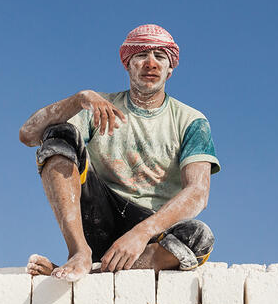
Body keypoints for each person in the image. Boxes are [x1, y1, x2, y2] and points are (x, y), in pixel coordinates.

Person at [19, 24, 220, 281]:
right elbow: (28, 135)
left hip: (150, 235)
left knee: (199, 238)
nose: (151, 64)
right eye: (141, 56)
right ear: (127, 64)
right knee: (59, 135)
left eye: (160, 57)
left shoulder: (191, 121)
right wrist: (80, 99)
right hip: (98, 216)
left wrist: (141, 233)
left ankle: (95, 272)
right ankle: (78, 253)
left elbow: (198, 193)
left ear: (170, 69)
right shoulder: (100, 106)